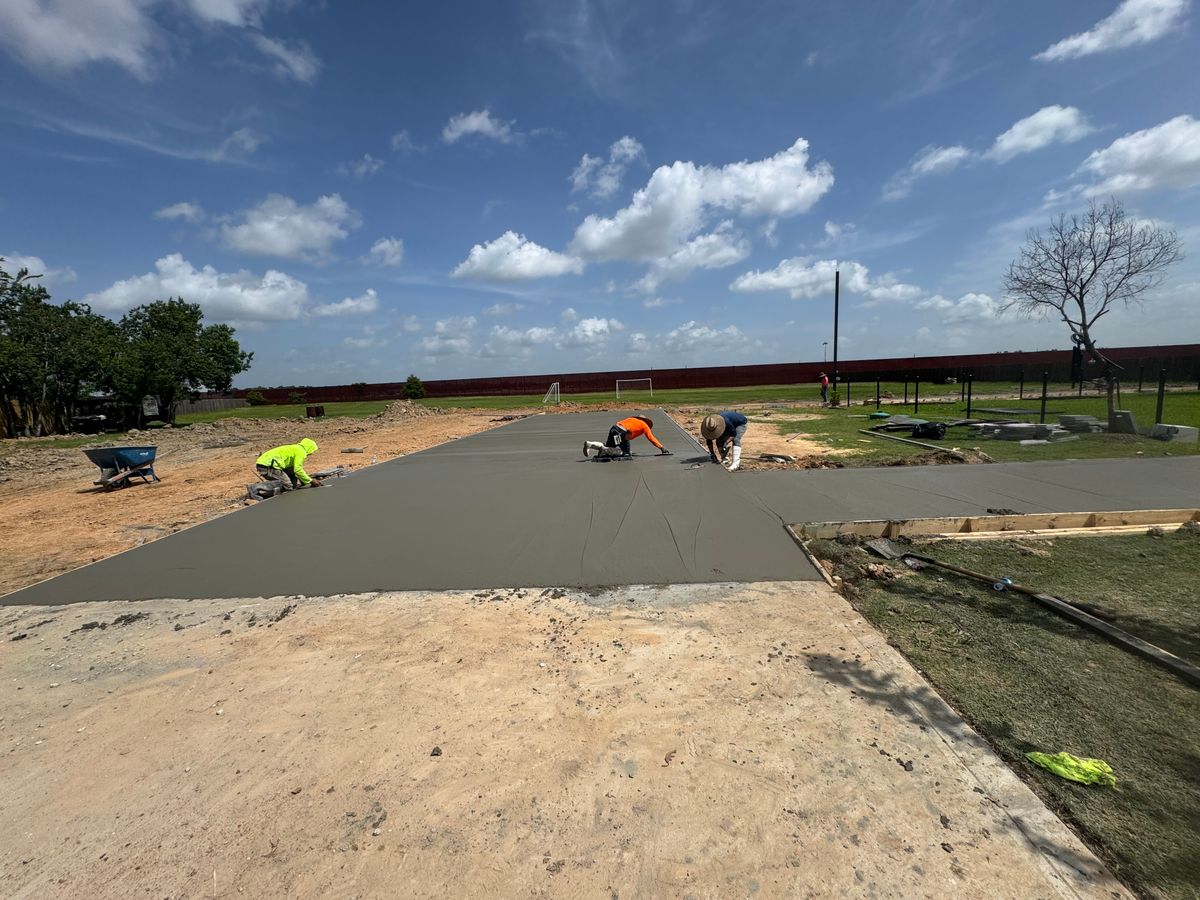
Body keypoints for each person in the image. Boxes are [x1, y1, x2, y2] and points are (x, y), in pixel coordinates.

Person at [583, 415, 672, 459]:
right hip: (621, 433)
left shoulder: (632, 419)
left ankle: (590, 444)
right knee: (625, 453)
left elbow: (622, 427)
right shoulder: (645, 425)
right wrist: (662, 447)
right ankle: (603, 449)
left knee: (609, 446)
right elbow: (651, 437)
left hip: (614, 429)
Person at [255, 438, 322, 490]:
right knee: (287, 485)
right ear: (309, 448)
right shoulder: (301, 452)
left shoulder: (296, 448)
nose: (311, 453)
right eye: (312, 451)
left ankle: (290, 486)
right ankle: (259, 489)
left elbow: (294, 469)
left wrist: (304, 481)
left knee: (292, 474)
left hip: (268, 464)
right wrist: (311, 481)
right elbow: (298, 470)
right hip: (267, 466)